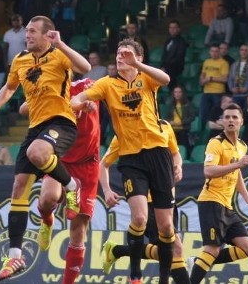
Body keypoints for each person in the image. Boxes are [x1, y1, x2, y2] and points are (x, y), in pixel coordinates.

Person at [0, 16, 90, 280]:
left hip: (62, 122)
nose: (26, 35)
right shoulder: (20, 60)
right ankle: (15, 256)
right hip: (36, 127)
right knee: (18, 188)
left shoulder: (59, 55)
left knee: (36, 153)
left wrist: (61, 45)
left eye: (31, 32)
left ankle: (72, 185)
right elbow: (9, 88)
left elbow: (84, 67)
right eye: (26, 31)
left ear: (46, 35)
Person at [71, 39, 174, 284]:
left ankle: (163, 279)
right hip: (130, 158)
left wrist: (137, 63)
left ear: (137, 57)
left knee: (167, 227)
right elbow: (77, 98)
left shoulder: (146, 79)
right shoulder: (107, 84)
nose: (119, 57)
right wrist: (80, 105)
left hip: (158, 154)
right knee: (139, 218)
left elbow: (166, 79)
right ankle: (135, 276)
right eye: (117, 54)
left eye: (125, 54)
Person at [99, 121, 190, 284]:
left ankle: (117, 250)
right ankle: (130, 265)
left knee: (170, 250)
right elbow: (104, 164)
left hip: (167, 198)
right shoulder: (124, 130)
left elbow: (176, 153)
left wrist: (178, 166)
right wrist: (106, 190)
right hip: (147, 201)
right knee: (175, 249)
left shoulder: (164, 126)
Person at [31, 78, 100, 284]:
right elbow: (27, 108)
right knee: (47, 199)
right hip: (61, 159)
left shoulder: (87, 84)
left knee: (78, 229)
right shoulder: (49, 91)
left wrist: (84, 102)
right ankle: (46, 219)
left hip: (87, 163)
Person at [188, 103, 248, 284]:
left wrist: (246, 197)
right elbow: (208, 171)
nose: (230, 120)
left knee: (247, 248)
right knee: (211, 250)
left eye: (234, 117)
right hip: (211, 201)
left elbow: (236, 174)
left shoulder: (242, 146)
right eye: (227, 117)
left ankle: (198, 263)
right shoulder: (216, 143)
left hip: (226, 206)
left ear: (241, 121)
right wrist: (238, 164)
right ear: (222, 121)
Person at [199, 45, 230, 126]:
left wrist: (211, 78)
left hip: (218, 92)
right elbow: (202, 74)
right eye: (212, 51)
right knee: (203, 113)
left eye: (216, 51)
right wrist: (202, 81)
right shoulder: (206, 62)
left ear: (219, 52)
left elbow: (225, 79)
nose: (214, 53)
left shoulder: (224, 63)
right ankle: (203, 131)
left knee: (217, 113)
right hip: (206, 91)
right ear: (209, 52)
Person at [227, 44, 248, 110]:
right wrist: (231, 88)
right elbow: (230, 79)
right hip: (236, 95)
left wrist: (247, 88)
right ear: (239, 52)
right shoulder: (234, 65)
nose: (244, 52)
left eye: (246, 50)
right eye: (242, 50)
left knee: (246, 115)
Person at [163, 86, 195, 151]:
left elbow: (192, 117)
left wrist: (181, 122)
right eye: (175, 92)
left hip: (184, 130)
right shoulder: (171, 105)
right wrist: (170, 122)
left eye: (179, 92)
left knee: (184, 148)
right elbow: (166, 117)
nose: (177, 94)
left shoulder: (188, 104)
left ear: (183, 93)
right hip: (173, 130)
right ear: (173, 94)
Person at [161, 20, 187, 88]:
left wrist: (165, 68)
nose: (172, 30)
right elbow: (164, 55)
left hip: (176, 67)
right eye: (170, 28)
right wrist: (162, 67)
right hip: (167, 67)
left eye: (174, 28)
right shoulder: (168, 41)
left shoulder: (181, 42)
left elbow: (178, 57)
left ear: (179, 29)